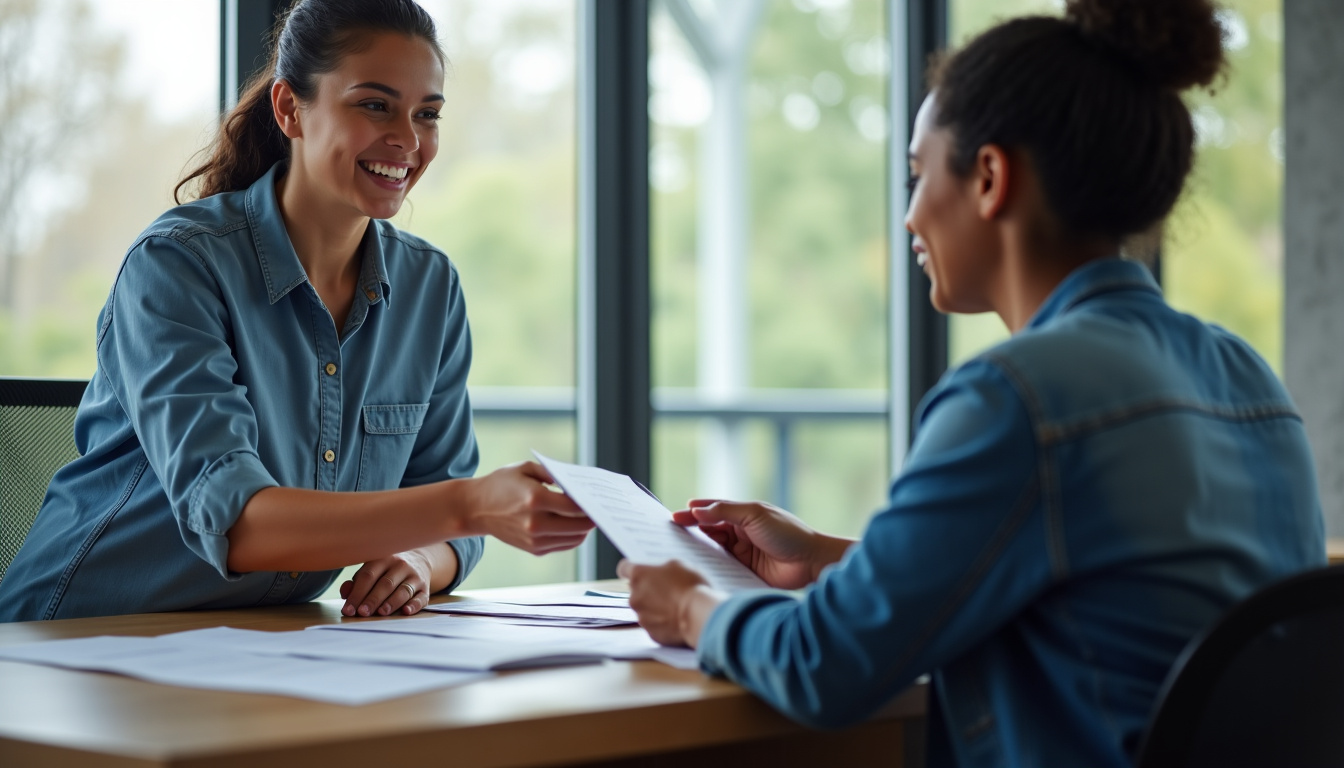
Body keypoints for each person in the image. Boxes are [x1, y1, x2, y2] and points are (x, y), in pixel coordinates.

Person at [617, 1, 1326, 766]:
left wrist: (694, 609)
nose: (909, 216)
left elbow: (824, 665)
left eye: (919, 175)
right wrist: (824, 557)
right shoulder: (1249, 377)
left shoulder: (1015, 397)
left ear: (989, 177)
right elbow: (1094, 583)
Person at [0, 0, 592, 623]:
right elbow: (240, 523)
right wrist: (470, 505)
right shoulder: (176, 265)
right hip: (73, 639)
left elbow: (447, 515)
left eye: (428, 114)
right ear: (289, 109)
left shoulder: (430, 287)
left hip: (256, 644)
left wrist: (420, 559)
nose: (408, 140)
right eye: (374, 105)